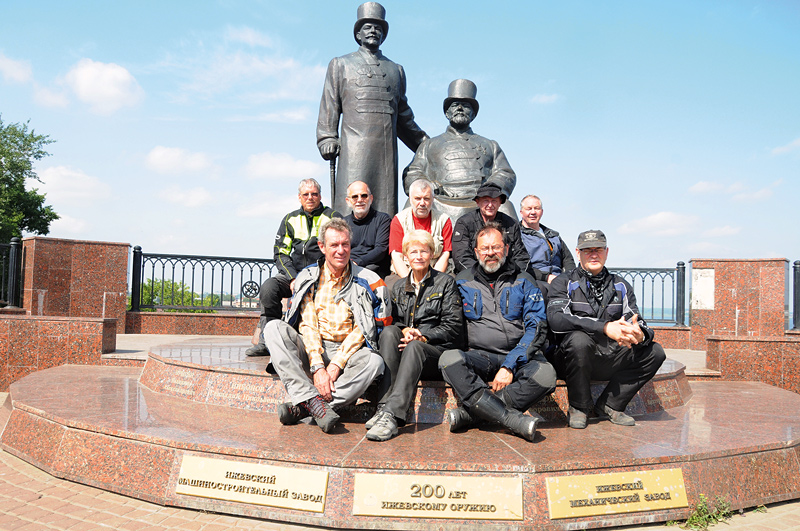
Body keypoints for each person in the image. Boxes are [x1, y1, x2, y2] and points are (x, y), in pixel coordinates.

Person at [263, 218, 389, 433]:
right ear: (322, 247)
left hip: (350, 354)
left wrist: (336, 364)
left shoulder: (371, 280)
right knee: (273, 328)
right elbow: (308, 324)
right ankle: (313, 401)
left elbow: (365, 329)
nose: (341, 250)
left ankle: (305, 406)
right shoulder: (308, 277)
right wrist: (318, 366)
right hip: (313, 348)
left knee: (374, 362)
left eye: (345, 244)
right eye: (334, 245)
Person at [438, 222, 556, 442]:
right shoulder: (462, 281)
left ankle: (471, 415)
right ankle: (509, 419)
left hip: (520, 356)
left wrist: (510, 364)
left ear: (507, 249)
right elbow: (450, 321)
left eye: (496, 247)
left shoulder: (524, 280)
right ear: (476, 252)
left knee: (546, 375)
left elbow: (537, 327)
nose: (490, 253)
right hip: (481, 356)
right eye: (485, 248)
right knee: (448, 358)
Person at [547, 230, 666, 429]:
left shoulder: (621, 284)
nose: (593, 254)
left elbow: (638, 319)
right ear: (578, 253)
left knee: (655, 352)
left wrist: (640, 333)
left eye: (598, 250)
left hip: (609, 355)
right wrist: (604, 327)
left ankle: (611, 404)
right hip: (572, 359)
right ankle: (579, 407)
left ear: (606, 252)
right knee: (578, 340)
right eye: (587, 250)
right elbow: (556, 319)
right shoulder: (563, 282)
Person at [317, 1, 428, 216]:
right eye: (367, 27)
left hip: (385, 151)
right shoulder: (341, 64)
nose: (373, 31)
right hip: (353, 149)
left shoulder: (396, 70)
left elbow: (403, 116)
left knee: (384, 209)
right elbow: (329, 104)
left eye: (378, 28)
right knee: (350, 207)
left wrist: (426, 145)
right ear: (358, 34)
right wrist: (327, 138)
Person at [365, 230, 463, 441]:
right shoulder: (399, 286)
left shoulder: (445, 283)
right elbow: (396, 321)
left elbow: (453, 326)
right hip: (405, 348)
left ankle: (392, 415)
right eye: (413, 252)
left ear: (432, 254)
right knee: (390, 331)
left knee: (415, 346)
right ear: (406, 256)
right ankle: (383, 406)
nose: (418, 256)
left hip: (434, 352)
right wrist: (404, 330)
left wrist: (423, 336)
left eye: (424, 251)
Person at [245, 179, 341, 357]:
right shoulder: (290, 219)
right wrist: (292, 277)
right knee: (269, 288)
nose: (310, 197)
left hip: (320, 274)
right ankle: (266, 341)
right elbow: (280, 253)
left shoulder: (332, 217)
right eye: (306, 194)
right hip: (293, 274)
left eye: (314, 194)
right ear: (299, 197)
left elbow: (337, 249)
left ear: (320, 196)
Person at [404, 79, 516, 221]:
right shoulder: (429, 145)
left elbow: (506, 173)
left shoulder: (490, 145)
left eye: (466, 106)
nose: (460, 109)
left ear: (473, 114)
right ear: (447, 113)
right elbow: (413, 172)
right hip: (440, 201)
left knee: (506, 208)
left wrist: (489, 189)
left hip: (479, 201)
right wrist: (428, 186)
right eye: (455, 105)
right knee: (411, 206)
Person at [452, 182, 529, 274]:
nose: (490, 205)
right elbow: (461, 257)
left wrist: (511, 275)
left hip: (506, 276)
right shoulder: (464, 223)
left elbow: (521, 257)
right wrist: (482, 275)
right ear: (477, 202)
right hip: (474, 277)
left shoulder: (512, 224)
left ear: (500, 203)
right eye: (486, 201)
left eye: (494, 201)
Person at [388, 179, 452, 277]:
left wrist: (434, 282)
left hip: (436, 273)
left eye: (426, 199)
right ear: (410, 199)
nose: (422, 203)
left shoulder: (444, 221)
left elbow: (445, 255)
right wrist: (410, 283)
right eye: (418, 198)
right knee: (390, 288)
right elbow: (396, 256)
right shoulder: (398, 220)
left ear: (433, 199)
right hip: (405, 272)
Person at [519, 195, 575, 283]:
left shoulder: (554, 235)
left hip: (560, 281)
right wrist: (546, 277)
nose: (533, 212)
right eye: (529, 209)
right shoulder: (517, 236)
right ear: (521, 212)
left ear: (542, 212)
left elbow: (568, 260)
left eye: (536, 208)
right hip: (534, 282)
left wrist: (569, 277)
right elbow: (520, 265)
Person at [344, 181, 391, 278]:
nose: (360, 200)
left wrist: (357, 263)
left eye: (364, 196)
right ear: (348, 201)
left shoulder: (383, 220)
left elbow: (381, 249)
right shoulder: (343, 223)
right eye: (355, 197)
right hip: (347, 268)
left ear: (371, 198)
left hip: (373, 271)